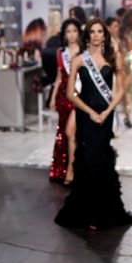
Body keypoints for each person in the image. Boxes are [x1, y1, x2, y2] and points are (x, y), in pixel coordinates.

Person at [55, 19, 132, 230]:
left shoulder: (113, 57)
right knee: (88, 159)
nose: (97, 35)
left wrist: (107, 111)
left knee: (102, 159)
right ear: (88, 35)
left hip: (106, 115)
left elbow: (120, 91)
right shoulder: (78, 60)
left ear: (104, 35)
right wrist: (91, 112)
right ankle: (86, 212)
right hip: (86, 115)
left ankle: (104, 211)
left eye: (100, 31)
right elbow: (70, 93)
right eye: (93, 31)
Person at [48, 18, 82, 185]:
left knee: (71, 133)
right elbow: (59, 76)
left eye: (74, 31)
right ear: (64, 34)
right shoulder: (61, 53)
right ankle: (60, 169)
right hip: (63, 95)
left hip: (78, 95)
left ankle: (72, 169)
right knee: (64, 133)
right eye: (68, 31)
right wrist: (53, 96)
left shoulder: (84, 52)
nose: (71, 35)